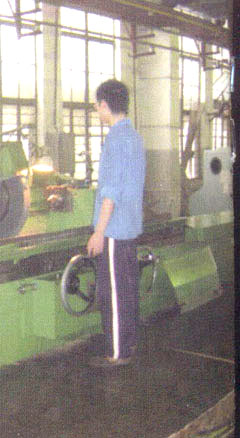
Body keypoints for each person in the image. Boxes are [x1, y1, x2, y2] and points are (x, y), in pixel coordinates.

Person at [87, 79, 146, 368]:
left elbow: (110, 192)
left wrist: (99, 232)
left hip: (114, 229)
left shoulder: (115, 139)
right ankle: (128, 344)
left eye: (97, 106)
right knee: (127, 289)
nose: (97, 111)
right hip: (129, 228)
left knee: (113, 294)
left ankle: (116, 354)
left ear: (105, 105)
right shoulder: (134, 137)